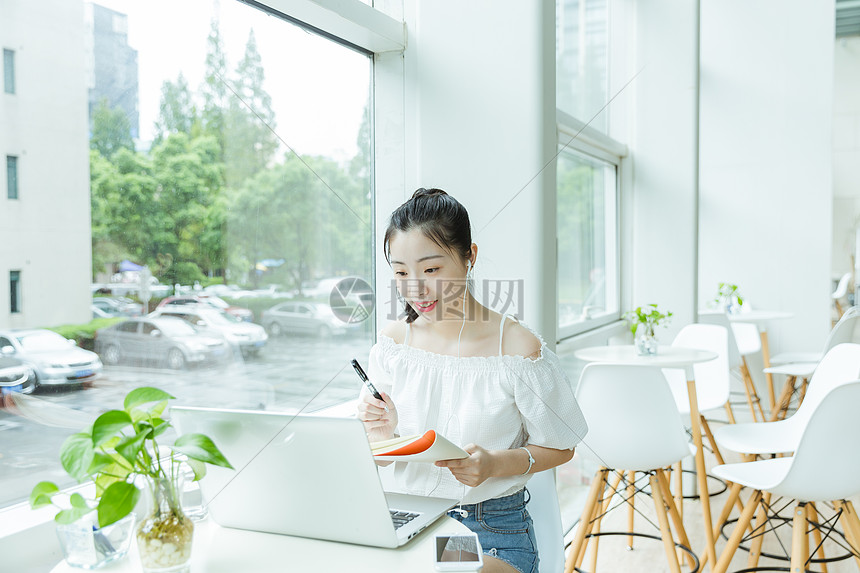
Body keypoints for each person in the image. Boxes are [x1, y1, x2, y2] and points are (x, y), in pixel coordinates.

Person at [357, 188, 588, 573]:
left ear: (469, 257)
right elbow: (371, 452)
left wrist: (496, 464)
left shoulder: (516, 348)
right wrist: (383, 433)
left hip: (481, 526)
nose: (415, 289)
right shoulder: (393, 344)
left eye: (431, 270)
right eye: (401, 272)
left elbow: (563, 447)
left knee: (451, 570)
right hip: (400, 517)